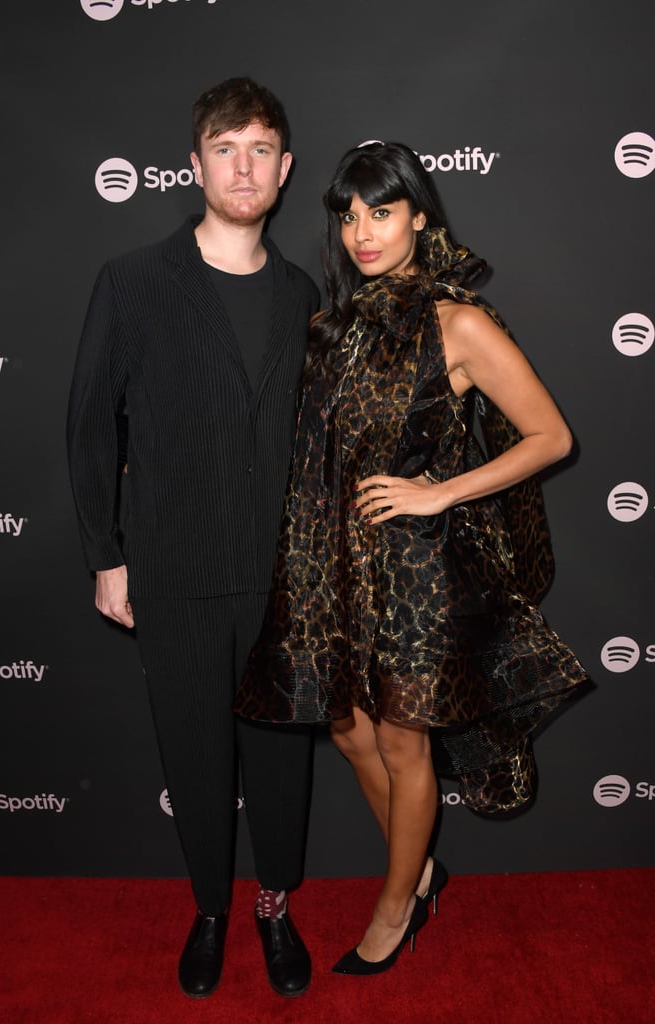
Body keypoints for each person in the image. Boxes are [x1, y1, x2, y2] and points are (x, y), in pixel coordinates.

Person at [234, 141, 590, 976]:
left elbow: (552, 437)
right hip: (334, 570)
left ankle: (397, 904)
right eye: (349, 216)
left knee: (402, 745)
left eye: (382, 212)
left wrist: (441, 491)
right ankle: (421, 868)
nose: (363, 232)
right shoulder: (333, 325)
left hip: (415, 574)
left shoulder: (456, 320)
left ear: (420, 216)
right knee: (352, 730)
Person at [67, 77, 319, 999]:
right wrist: (105, 552)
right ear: (195, 165)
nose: (243, 165)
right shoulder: (133, 282)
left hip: (281, 578)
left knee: (283, 761)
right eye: (226, 148)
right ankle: (212, 907)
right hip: (171, 570)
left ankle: (276, 908)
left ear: (285, 170)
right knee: (194, 754)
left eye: (261, 149)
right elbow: (91, 423)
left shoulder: (303, 293)